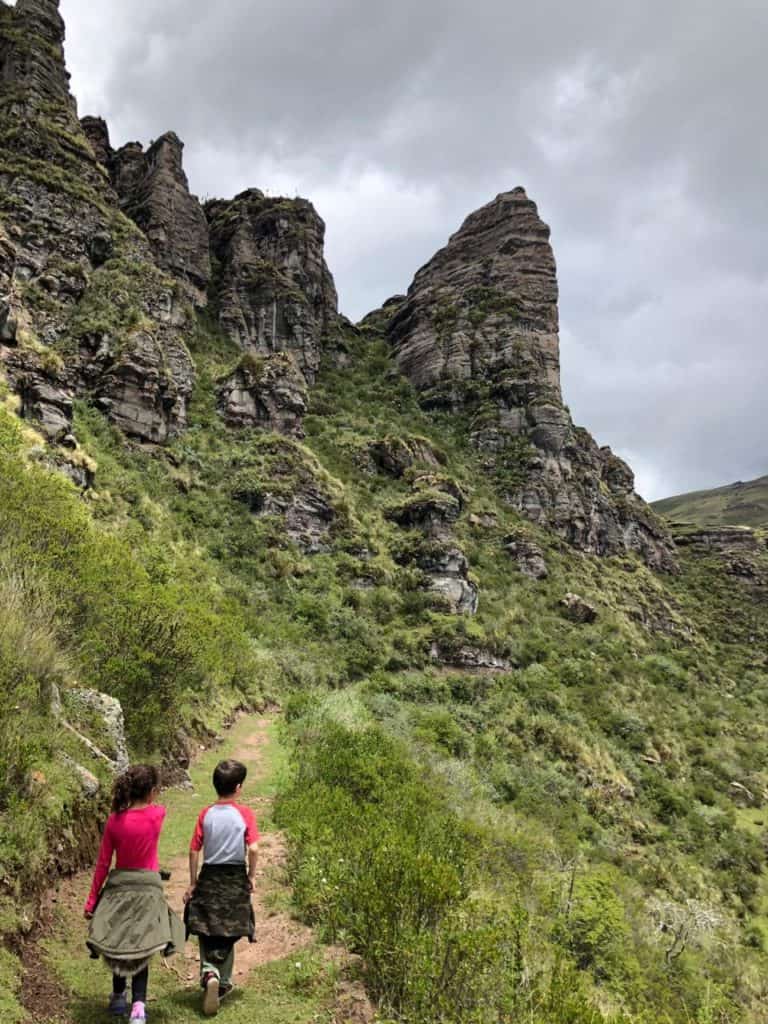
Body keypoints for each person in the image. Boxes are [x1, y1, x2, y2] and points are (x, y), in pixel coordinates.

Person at [84, 764, 184, 1023]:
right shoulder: (157, 815)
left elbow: (103, 864)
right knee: (142, 946)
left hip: (119, 888)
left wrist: (92, 899)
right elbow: (156, 807)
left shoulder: (114, 821)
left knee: (119, 942)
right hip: (148, 890)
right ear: (152, 792)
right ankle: (138, 1005)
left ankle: (118, 998)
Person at [184, 758, 259, 1017]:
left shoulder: (206, 813)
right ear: (238, 787)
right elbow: (254, 848)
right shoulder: (245, 813)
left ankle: (208, 972)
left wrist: (193, 882)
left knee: (206, 926)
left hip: (210, 876)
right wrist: (251, 875)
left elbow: (194, 851)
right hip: (234, 876)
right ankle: (223, 980)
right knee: (229, 930)